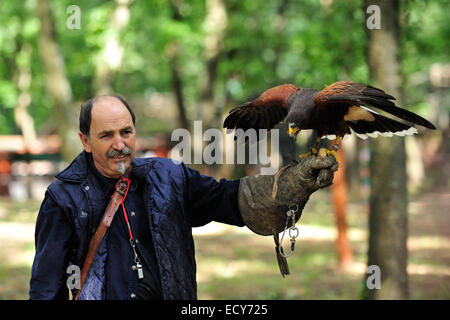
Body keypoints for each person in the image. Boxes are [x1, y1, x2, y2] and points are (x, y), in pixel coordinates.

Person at [29, 95, 337, 300]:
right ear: (85, 141)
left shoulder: (169, 178)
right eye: (106, 135)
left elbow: (230, 199)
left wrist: (287, 186)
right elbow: (46, 289)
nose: (120, 144)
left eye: (126, 132)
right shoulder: (63, 199)